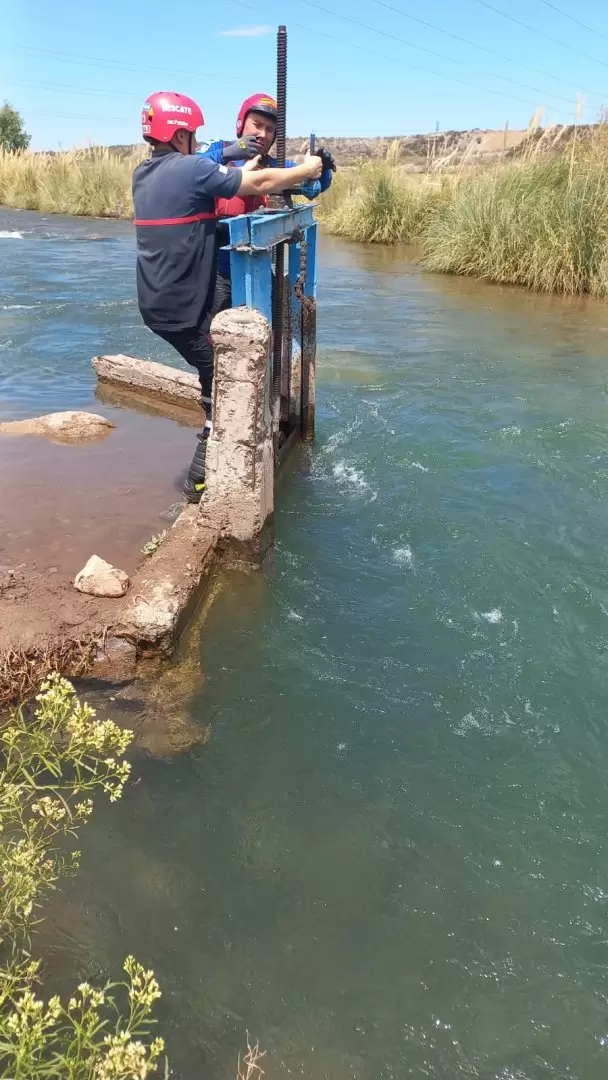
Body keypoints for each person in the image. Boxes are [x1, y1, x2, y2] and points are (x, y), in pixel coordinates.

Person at [132, 91, 322, 502]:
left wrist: (314, 177)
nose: (264, 134)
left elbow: (201, 221)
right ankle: (200, 484)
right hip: (184, 307)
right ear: (180, 133)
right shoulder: (194, 169)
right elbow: (262, 181)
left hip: (159, 303)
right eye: (192, 135)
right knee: (225, 383)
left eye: (271, 129)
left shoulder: (144, 173)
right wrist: (308, 166)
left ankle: (219, 455)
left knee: (215, 371)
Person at [200, 93, 336, 315]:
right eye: (257, 125)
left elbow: (314, 182)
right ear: (241, 123)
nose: (262, 134)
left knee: (270, 327)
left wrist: (323, 168)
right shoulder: (218, 148)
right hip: (214, 273)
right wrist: (230, 153)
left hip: (257, 270)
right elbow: (191, 167)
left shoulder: (275, 166)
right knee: (215, 337)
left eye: (270, 130)